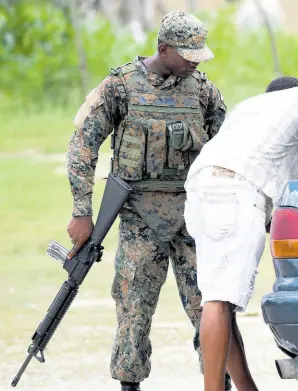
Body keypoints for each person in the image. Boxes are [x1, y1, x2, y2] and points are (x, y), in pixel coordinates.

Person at [65, 10, 231, 391]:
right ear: (163, 49)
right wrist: (81, 211)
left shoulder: (203, 90)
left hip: (193, 220)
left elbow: (228, 147)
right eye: (188, 55)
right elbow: (82, 147)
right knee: (133, 309)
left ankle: (220, 381)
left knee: (209, 308)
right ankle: (129, 385)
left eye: (199, 56)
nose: (194, 62)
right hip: (139, 220)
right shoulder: (120, 87)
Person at [183, 76, 298, 391]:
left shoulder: (249, 109)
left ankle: (246, 388)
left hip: (200, 188)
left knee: (221, 299)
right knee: (218, 300)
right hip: (234, 191)